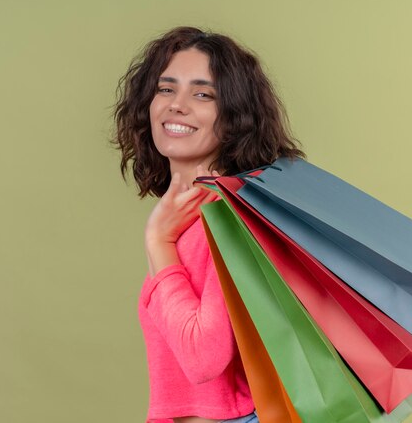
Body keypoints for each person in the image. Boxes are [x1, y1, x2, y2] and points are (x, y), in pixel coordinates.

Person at [112, 26, 304, 423]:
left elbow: (204, 359)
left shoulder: (232, 217)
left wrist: (158, 242)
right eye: (166, 89)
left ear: (234, 116)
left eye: (203, 94)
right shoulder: (185, 217)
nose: (176, 105)